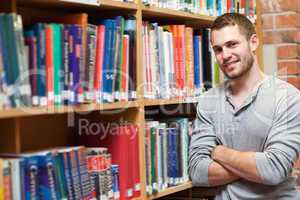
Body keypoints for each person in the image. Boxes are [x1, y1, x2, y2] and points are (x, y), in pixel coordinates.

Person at [188, 13, 300, 199]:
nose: (225, 55)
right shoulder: (208, 101)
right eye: (218, 49)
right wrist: (256, 163)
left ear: (253, 42)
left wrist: (219, 152)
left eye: (232, 44)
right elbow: (198, 171)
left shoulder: (288, 98)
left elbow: (274, 170)